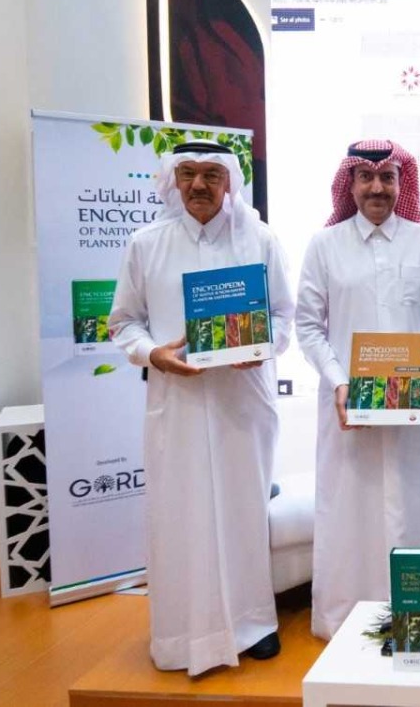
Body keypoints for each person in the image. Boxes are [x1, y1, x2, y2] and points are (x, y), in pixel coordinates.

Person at [109, 139, 295, 675]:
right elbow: (124, 322)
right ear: (172, 180)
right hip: (178, 403)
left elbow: (283, 317)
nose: (198, 185)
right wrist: (153, 356)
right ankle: (181, 634)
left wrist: (262, 347)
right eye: (187, 174)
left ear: (230, 182)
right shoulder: (147, 243)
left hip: (243, 402)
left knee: (242, 511)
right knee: (180, 517)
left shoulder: (258, 238)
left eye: (212, 175)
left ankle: (253, 624)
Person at [295, 140, 420, 640]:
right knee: (351, 507)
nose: (377, 188)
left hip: (413, 408)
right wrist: (339, 379)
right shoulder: (325, 246)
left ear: (401, 184)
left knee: (416, 503)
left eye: (387, 178)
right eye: (366, 178)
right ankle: (349, 618)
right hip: (350, 406)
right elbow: (307, 325)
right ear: (351, 184)